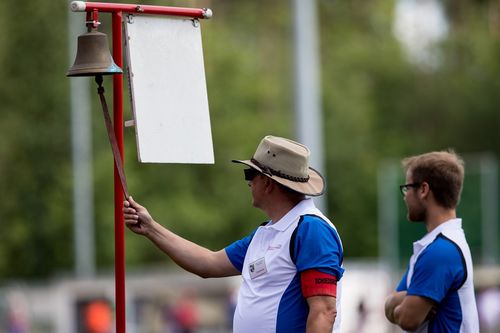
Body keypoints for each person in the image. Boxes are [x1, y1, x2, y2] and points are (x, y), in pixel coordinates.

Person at [123, 135, 344, 333]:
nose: (248, 182)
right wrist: (151, 228)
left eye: (251, 174)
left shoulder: (311, 230)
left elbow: (324, 311)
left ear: (267, 183)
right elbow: (208, 263)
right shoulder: (267, 232)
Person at [384, 150, 479, 332]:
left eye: (407, 187)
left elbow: (407, 319)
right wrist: (407, 300)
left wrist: (403, 303)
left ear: (423, 190)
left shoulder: (441, 251)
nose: (405, 195)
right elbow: (389, 305)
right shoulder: (438, 245)